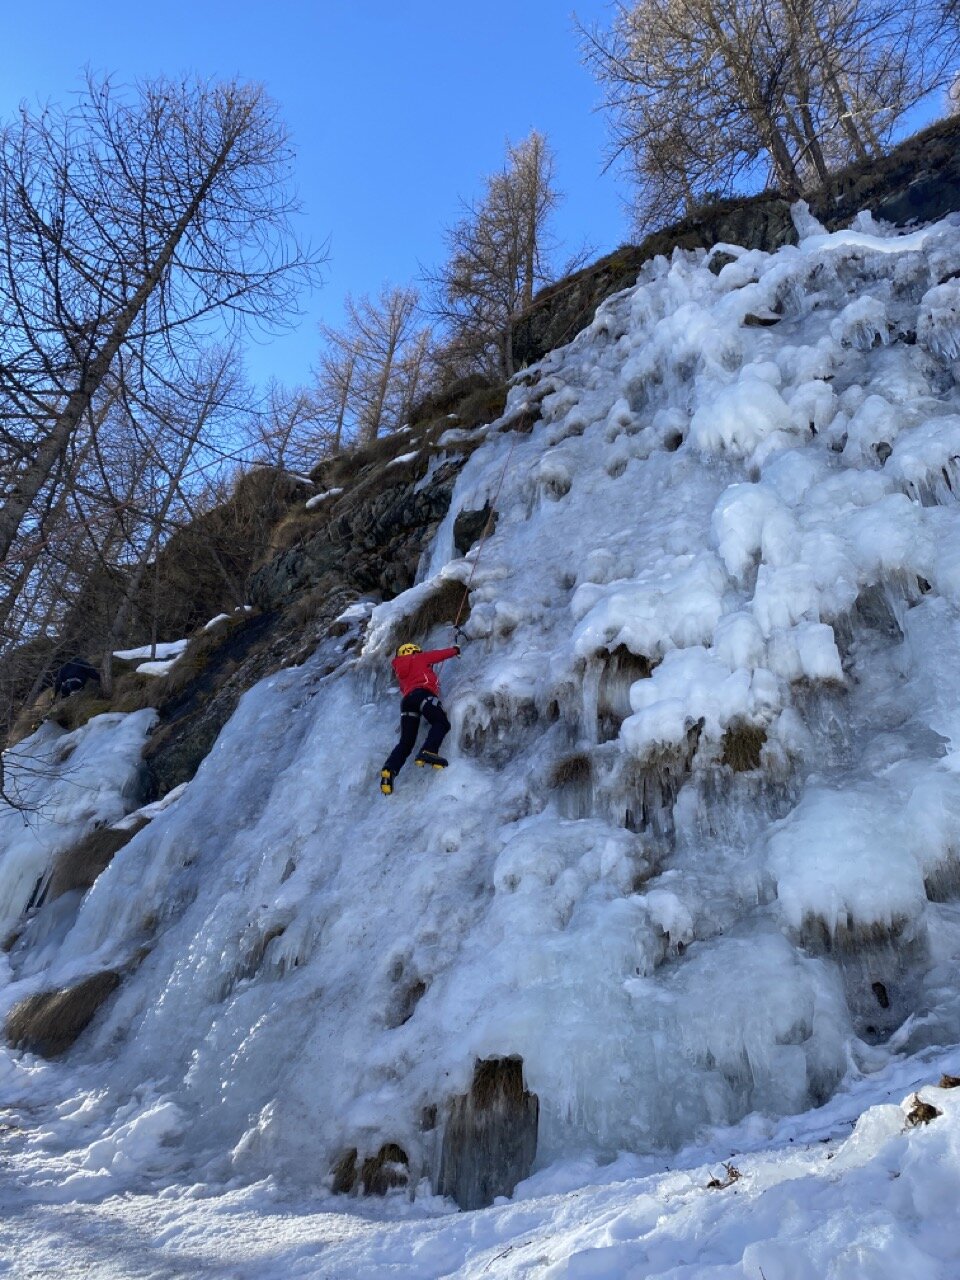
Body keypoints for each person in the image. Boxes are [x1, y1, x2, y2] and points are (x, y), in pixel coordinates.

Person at [380, 640, 461, 795]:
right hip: (422, 694)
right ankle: (429, 751)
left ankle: (389, 770)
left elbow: (406, 688)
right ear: (413, 650)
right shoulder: (418, 658)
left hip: (407, 702)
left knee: (406, 742)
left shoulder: (399, 669)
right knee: (441, 723)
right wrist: (455, 650)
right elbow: (438, 655)